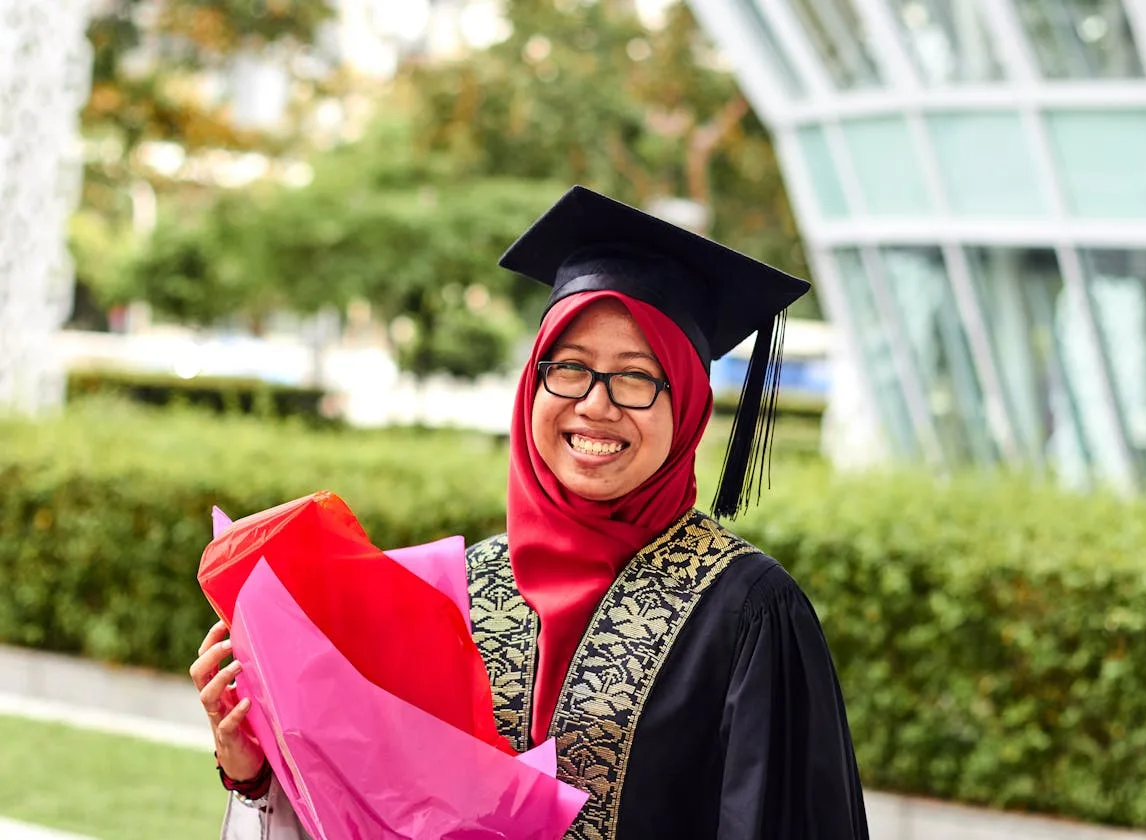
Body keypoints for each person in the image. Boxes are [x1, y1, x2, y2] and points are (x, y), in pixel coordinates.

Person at [190, 185, 870, 839]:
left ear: (687, 405)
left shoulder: (748, 613)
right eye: (568, 367)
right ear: (531, 384)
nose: (595, 405)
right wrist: (253, 768)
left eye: (637, 376)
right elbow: (370, 807)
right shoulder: (461, 590)